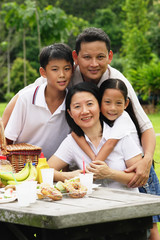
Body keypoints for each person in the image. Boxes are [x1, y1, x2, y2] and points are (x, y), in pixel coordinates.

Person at [2, 27, 156, 187]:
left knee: (145, 193)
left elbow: (145, 126)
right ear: (76, 57)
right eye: (87, 57)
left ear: (110, 57)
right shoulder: (65, 73)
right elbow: (23, 96)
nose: (94, 64)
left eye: (100, 57)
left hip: (130, 160)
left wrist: (147, 159)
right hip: (89, 155)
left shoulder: (116, 82)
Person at [71, 79, 160, 240]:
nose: (112, 108)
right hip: (130, 169)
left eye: (118, 103)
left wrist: (94, 167)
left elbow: (109, 144)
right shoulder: (107, 122)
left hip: (142, 173)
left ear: (126, 104)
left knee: (151, 228)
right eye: (107, 102)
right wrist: (93, 158)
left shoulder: (122, 119)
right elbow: (75, 135)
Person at [48, 82, 143, 193]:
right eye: (77, 106)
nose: (84, 111)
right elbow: (44, 171)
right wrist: (68, 175)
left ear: (99, 106)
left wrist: (110, 173)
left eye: (89, 104)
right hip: (93, 206)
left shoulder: (122, 135)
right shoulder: (71, 142)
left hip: (128, 205)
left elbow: (139, 179)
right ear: (70, 113)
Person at [4, 43, 73, 159]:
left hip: (55, 167)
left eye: (67, 69)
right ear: (43, 72)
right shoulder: (26, 99)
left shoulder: (73, 102)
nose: (62, 75)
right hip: (21, 163)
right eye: (55, 69)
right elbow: (8, 140)